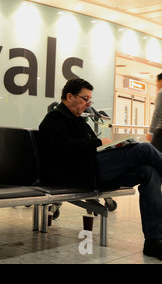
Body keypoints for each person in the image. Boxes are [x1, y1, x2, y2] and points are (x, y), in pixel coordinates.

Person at [39, 78, 162, 260]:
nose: (88, 104)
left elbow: (89, 146)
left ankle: (153, 241)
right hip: (77, 172)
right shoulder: (54, 119)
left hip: (92, 168)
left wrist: (109, 146)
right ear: (69, 96)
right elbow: (63, 148)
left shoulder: (78, 120)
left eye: (90, 100)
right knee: (144, 149)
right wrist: (98, 142)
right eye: (85, 99)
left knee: (148, 172)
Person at [147, 73, 162, 152]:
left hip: (160, 132)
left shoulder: (161, 93)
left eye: (157, 82)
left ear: (161, 81)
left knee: (154, 153)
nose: (156, 85)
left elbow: (157, 113)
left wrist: (151, 131)